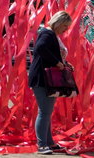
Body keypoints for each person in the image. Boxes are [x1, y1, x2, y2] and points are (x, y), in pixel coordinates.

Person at [28, 11, 73, 155]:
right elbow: (41, 48)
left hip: (46, 78)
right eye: (65, 26)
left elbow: (50, 52)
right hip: (42, 78)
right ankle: (42, 145)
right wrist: (57, 62)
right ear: (58, 23)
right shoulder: (47, 34)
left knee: (47, 112)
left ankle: (49, 142)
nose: (66, 29)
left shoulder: (51, 34)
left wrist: (64, 63)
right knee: (44, 112)